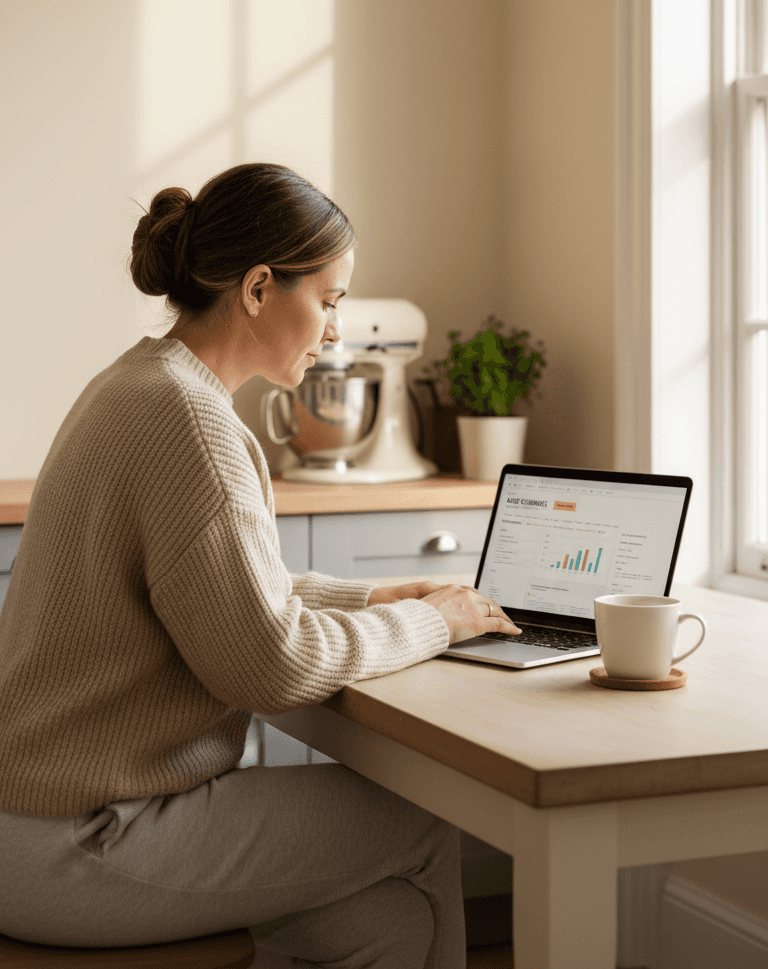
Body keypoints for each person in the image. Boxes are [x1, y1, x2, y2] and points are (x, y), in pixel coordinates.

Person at [0, 163, 519, 969]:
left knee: (387, 922)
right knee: (421, 820)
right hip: (87, 834)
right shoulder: (191, 423)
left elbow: (225, 594)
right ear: (256, 290)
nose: (338, 329)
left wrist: (379, 593)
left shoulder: (143, 383)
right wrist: (430, 621)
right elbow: (272, 663)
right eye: (331, 300)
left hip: (37, 829)